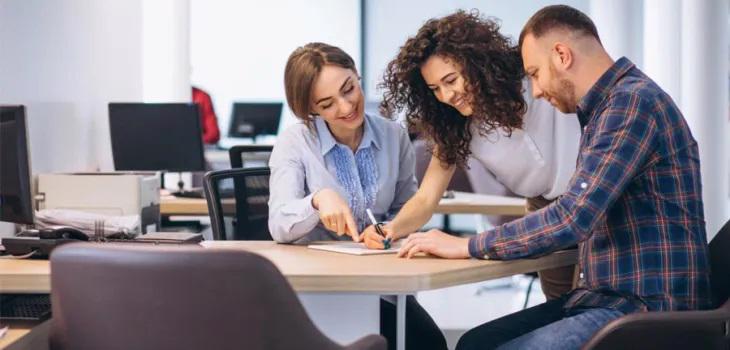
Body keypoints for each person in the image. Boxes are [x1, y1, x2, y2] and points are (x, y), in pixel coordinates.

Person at [396, 5, 713, 350]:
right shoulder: (605, 108)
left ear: (562, 55)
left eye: (533, 73)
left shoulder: (630, 105)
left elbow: (573, 217)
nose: (533, 91)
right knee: (476, 342)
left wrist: (466, 245)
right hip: (605, 297)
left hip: (645, 307)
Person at [370, 10, 581, 301]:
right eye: (435, 89)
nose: (446, 96)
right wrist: (390, 229)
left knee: (600, 308)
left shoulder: (533, 79)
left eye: (451, 80)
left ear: (476, 63)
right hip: (542, 211)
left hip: (592, 197)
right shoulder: (457, 126)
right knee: (562, 309)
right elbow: (426, 198)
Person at [268, 42, 447, 350]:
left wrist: (390, 230)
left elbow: (406, 206)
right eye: (327, 104)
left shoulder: (394, 134)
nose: (346, 107)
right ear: (311, 109)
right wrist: (318, 200)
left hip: (381, 284)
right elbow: (279, 224)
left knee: (428, 344)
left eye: (348, 88)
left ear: (356, 74)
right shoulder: (295, 142)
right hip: (317, 289)